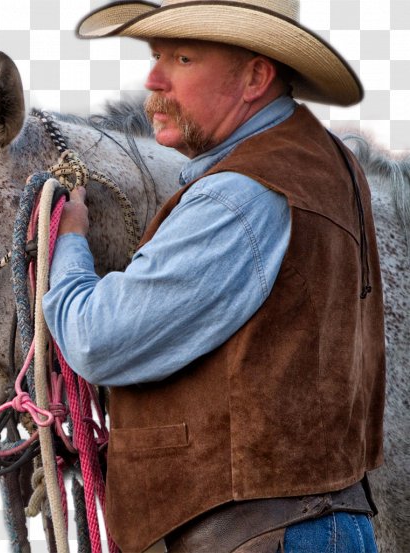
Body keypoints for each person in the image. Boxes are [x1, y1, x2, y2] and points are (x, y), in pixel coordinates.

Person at [42, 1, 386, 552]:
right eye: (157, 56)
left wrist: (69, 243)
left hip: (263, 536)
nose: (153, 80)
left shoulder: (238, 195)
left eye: (182, 58)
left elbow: (95, 338)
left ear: (254, 76)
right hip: (311, 525)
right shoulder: (324, 161)